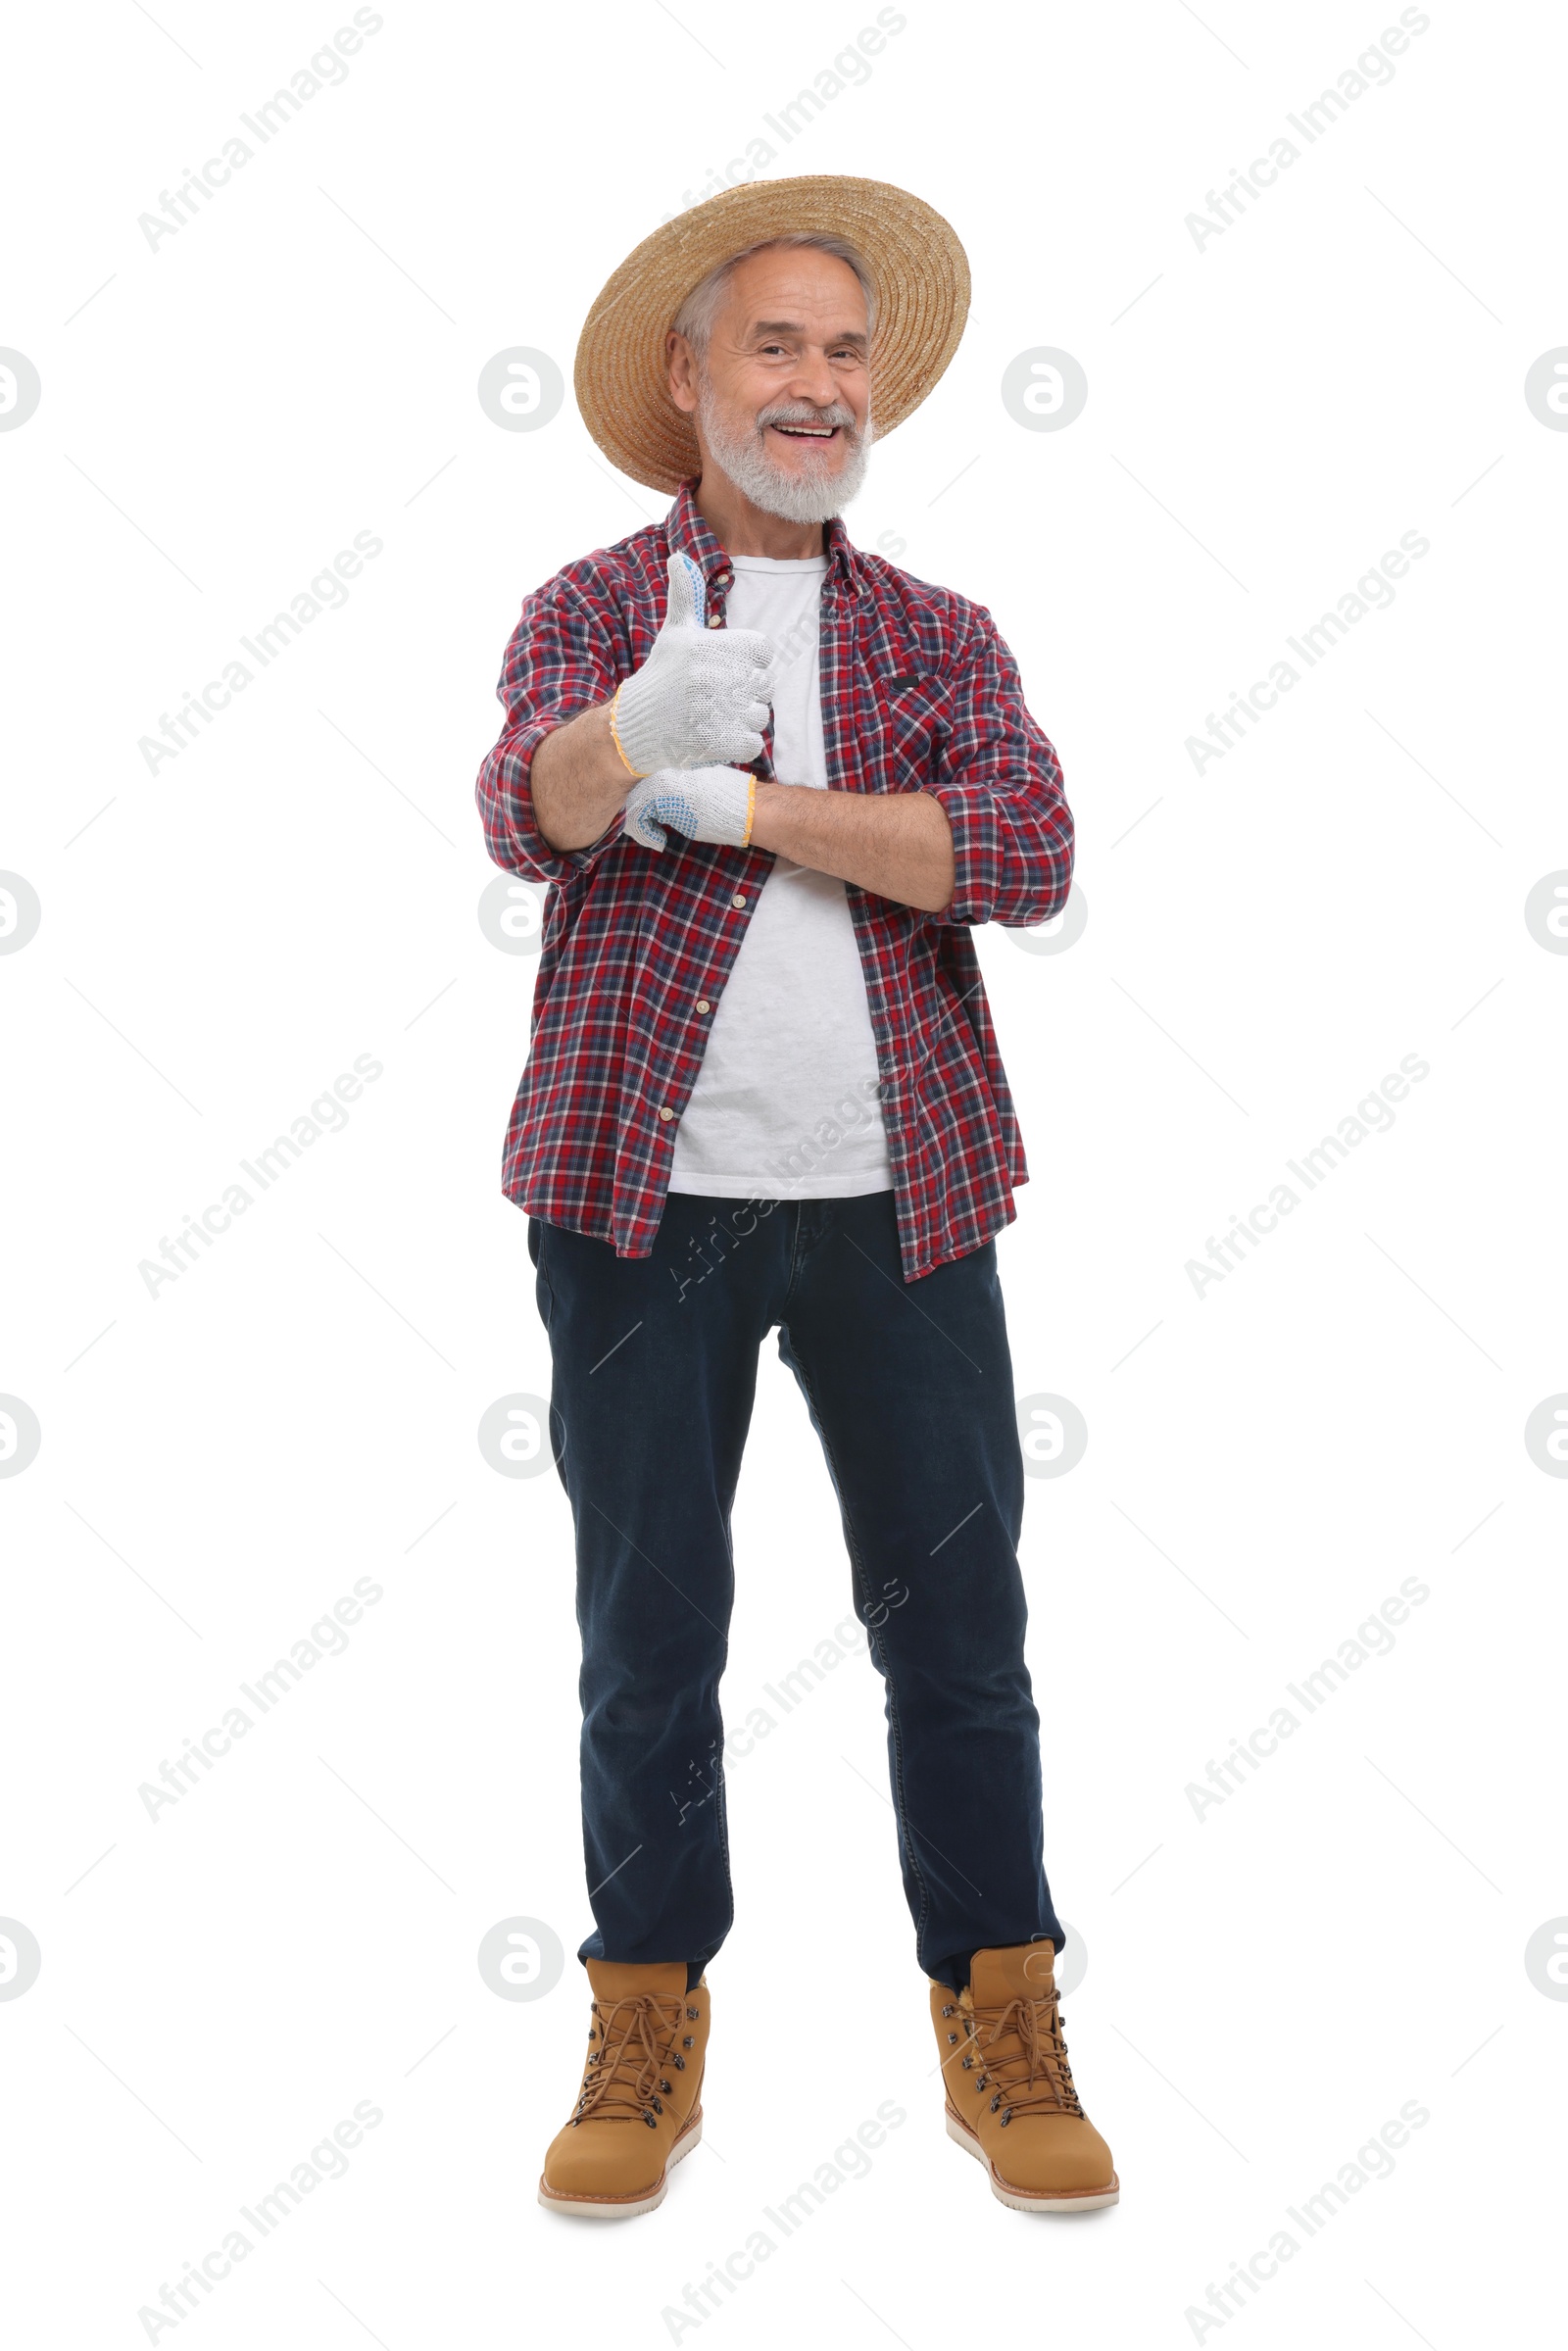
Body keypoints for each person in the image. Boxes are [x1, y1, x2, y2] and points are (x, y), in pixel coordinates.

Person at [475, 175, 1116, 2220]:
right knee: (644, 1630)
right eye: (775, 345)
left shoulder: (937, 634)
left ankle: (995, 2008)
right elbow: (523, 812)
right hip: (632, 1202)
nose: (815, 385)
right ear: (688, 380)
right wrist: (616, 738)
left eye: (842, 354)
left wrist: (742, 803)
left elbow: (1015, 851)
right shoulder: (589, 608)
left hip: (902, 1203)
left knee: (959, 1621)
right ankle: (642, 2013)